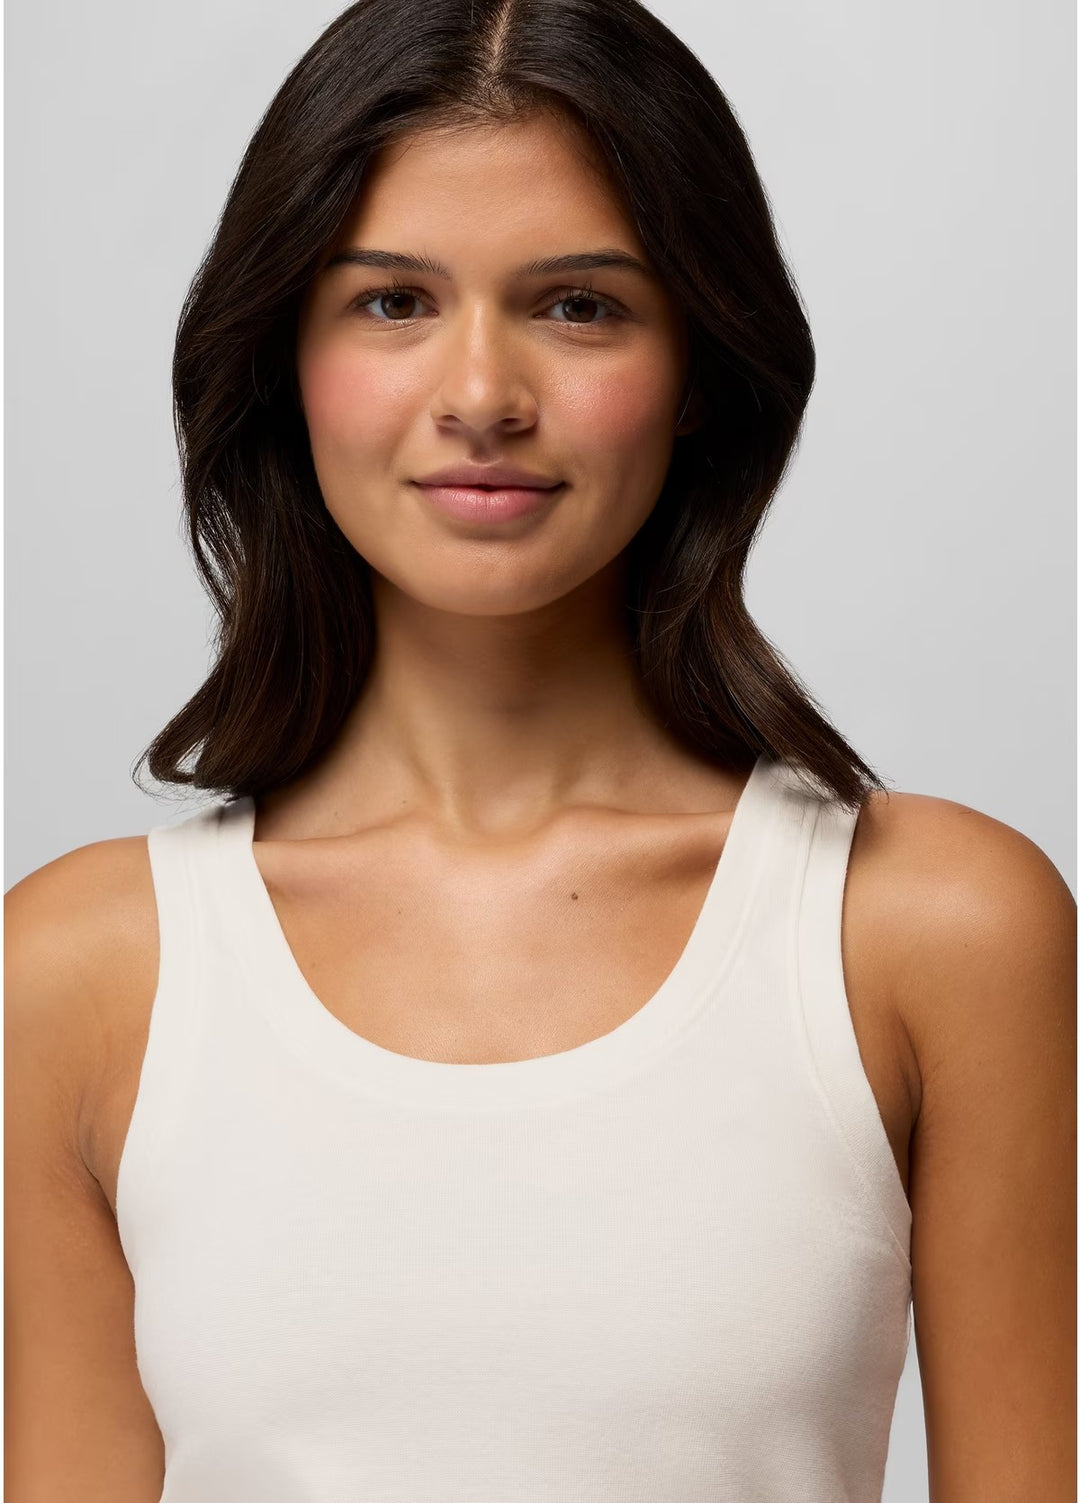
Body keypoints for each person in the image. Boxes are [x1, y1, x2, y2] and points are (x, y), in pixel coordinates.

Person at [5, 0, 1074, 1498]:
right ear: (283, 358)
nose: (483, 396)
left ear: (701, 365)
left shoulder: (930, 928)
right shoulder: (80, 969)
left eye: (579, 305)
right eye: (391, 304)